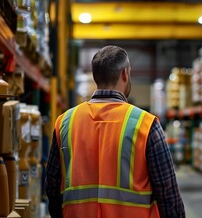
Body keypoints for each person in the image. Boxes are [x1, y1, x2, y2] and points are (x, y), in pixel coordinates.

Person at [45, 45, 186, 218]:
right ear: (125, 74)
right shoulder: (146, 124)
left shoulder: (64, 122)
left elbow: (52, 186)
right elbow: (167, 193)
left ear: (96, 76)